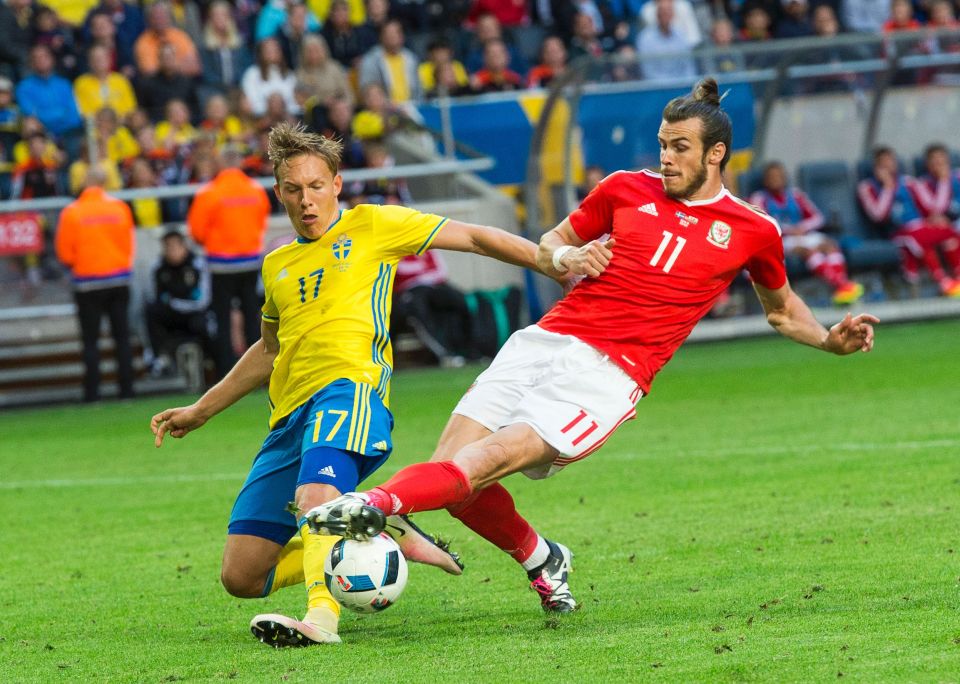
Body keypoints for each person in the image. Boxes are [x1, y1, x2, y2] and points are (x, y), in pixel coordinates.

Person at [305, 79, 880, 618]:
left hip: (607, 375)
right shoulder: (622, 189)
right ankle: (542, 559)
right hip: (543, 340)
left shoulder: (752, 229)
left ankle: (373, 504)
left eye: (680, 147)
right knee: (453, 479)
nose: (666, 157)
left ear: (716, 154)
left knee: (483, 462)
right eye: (662, 144)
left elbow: (781, 310)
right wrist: (565, 260)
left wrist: (831, 339)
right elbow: (554, 241)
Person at [150, 122, 550, 647]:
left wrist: (551, 259)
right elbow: (270, 350)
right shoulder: (277, 265)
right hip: (287, 418)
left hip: (349, 392)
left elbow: (474, 237)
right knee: (242, 577)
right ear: (279, 194)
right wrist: (201, 410)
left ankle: (321, 619)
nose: (306, 201)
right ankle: (375, 528)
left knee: (315, 495)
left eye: (316, 187)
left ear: (337, 183)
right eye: (293, 191)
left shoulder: (374, 226)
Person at [186, 147, 271, 378]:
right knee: (253, 319)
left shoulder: (210, 192)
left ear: (220, 164)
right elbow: (262, 222)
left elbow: (196, 231)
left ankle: (227, 373)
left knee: (222, 320)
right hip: (250, 262)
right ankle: (258, 374)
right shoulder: (255, 190)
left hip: (220, 264)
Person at [55, 167, 136, 402]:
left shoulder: (72, 212)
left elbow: (65, 254)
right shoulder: (119, 207)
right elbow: (128, 243)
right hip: (119, 278)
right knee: (121, 337)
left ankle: (93, 393)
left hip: (87, 282)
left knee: (91, 340)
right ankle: (127, 390)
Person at [749, 161, 863, 305]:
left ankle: (841, 286)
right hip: (779, 239)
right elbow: (761, 224)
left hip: (803, 233)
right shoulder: (759, 198)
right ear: (765, 180)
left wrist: (801, 228)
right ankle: (841, 285)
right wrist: (789, 230)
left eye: (778, 176)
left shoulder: (796, 195)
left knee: (829, 245)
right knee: (808, 250)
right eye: (771, 177)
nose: (775, 179)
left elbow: (817, 217)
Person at [857, 146, 960, 297]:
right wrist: (888, 188)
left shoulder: (909, 182)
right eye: (883, 163)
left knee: (950, 234)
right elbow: (878, 216)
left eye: (890, 161)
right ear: (875, 167)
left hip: (922, 227)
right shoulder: (866, 187)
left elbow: (930, 208)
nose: (888, 166)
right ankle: (943, 282)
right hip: (896, 232)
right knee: (920, 241)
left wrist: (935, 217)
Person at [145, 228, 212, 376]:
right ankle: (158, 358)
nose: (171, 251)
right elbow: (154, 296)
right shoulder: (159, 267)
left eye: (174, 246)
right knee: (151, 312)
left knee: (204, 323)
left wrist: (176, 303)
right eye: (167, 247)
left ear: (184, 246)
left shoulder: (197, 264)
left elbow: (203, 301)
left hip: (194, 313)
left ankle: (210, 360)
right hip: (171, 315)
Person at [914, 143, 960, 225]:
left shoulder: (957, 176)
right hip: (942, 224)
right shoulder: (921, 184)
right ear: (927, 163)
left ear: (948, 160)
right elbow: (937, 210)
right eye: (933, 158)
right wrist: (943, 181)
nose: (938, 161)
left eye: (941, 157)